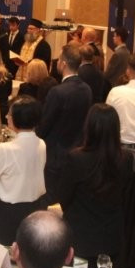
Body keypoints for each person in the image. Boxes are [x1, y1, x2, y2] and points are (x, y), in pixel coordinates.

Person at [51, 103, 132, 268]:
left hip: (80, 235)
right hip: (112, 235)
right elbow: (124, 194)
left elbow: (63, 196)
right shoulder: (125, 158)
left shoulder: (76, 158)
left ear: (89, 128)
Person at [0, 96, 47, 246]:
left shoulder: (4, 149)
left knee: (2, 253)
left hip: (8, 213)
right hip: (36, 208)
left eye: (9, 114)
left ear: (17, 119)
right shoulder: (42, 144)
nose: (6, 116)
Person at [36, 44, 94, 193]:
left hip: (55, 155)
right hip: (77, 151)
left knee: (50, 196)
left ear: (63, 64)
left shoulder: (57, 92)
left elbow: (44, 126)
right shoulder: (87, 89)